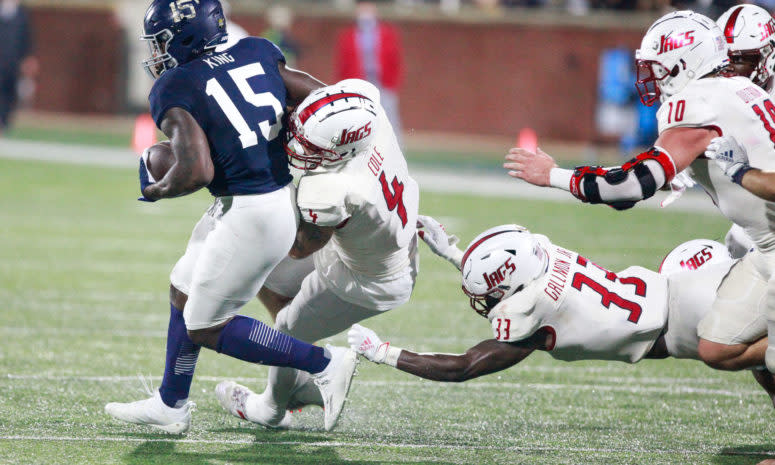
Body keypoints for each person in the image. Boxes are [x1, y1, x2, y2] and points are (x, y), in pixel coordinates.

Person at [104, 0, 358, 434]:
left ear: (185, 35)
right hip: (272, 201)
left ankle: (326, 363)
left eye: (162, 40)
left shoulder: (175, 84)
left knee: (204, 325)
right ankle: (171, 403)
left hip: (250, 214)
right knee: (183, 286)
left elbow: (196, 170)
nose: (158, 52)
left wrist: (155, 187)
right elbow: (324, 97)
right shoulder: (257, 50)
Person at [502, 10, 775, 376]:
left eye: (658, 68)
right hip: (765, 245)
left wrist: (554, 175)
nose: (653, 78)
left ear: (683, 63)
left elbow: (631, 186)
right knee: (717, 347)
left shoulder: (697, 102)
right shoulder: (742, 90)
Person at [348, 219, 775, 407]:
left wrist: (384, 352)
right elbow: (514, 279)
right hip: (684, 287)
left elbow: (463, 366)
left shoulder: (532, 312)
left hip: (685, 324)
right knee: (763, 360)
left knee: (743, 355)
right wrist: (454, 253)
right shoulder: (543, 256)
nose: (485, 302)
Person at [214, 78, 420, 428]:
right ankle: (297, 382)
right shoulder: (365, 109)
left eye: (311, 145)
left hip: (368, 278)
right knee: (260, 270)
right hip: (382, 239)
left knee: (286, 329)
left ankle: (271, 409)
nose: (298, 144)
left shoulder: (329, 191)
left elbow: (297, 249)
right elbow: (323, 98)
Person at [335, 0, 403, 145]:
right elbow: (343, 64)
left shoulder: (386, 33)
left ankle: (396, 152)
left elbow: (395, 59)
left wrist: (392, 82)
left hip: (382, 83)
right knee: (357, 120)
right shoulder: (348, 35)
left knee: (389, 118)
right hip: (358, 84)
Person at [0, 0, 37, 134]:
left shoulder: (22, 13)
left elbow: (27, 37)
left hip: (14, 61)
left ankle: (4, 122)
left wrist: (29, 58)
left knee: (11, 92)